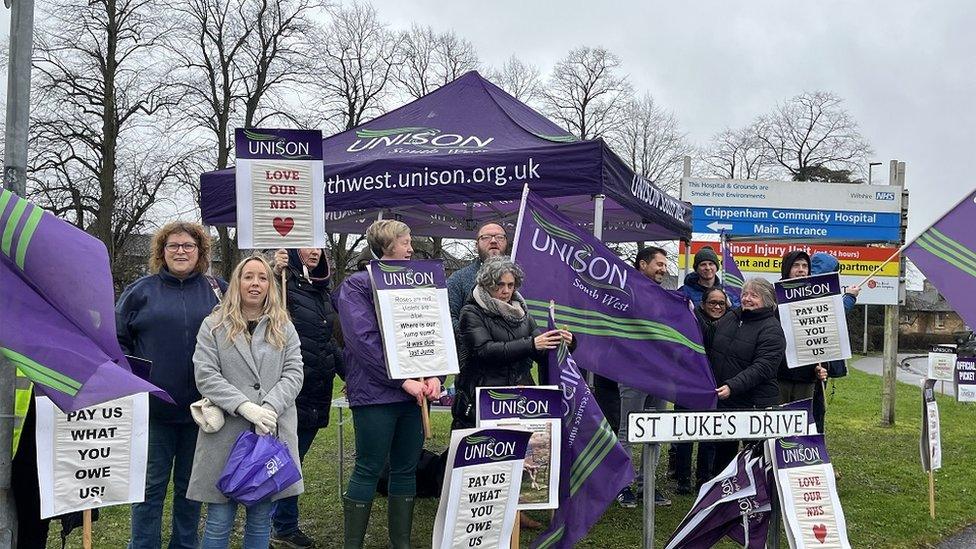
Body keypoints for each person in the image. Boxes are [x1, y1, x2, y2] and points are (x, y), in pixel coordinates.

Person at [116, 221, 225, 549]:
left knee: (191, 491)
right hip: (153, 412)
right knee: (149, 490)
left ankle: (185, 545)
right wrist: (133, 379)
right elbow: (117, 341)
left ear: (200, 251)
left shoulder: (218, 291)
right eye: (173, 246)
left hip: (203, 413)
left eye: (188, 246)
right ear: (162, 252)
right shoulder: (140, 292)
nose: (180, 251)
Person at [336, 220, 441, 549]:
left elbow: (432, 332)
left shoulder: (420, 284)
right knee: (368, 467)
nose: (411, 249)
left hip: (414, 396)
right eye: (405, 242)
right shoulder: (357, 285)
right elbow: (363, 342)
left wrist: (437, 373)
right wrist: (403, 380)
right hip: (375, 396)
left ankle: (402, 543)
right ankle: (352, 543)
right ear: (385, 246)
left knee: (406, 469)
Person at [187, 255, 304, 549]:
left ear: (270, 285)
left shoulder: (284, 326)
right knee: (218, 519)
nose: (255, 284)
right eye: (248, 276)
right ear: (237, 281)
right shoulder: (213, 325)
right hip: (227, 432)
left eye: (262, 278)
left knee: (261, 517)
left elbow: (294, 372)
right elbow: (206, 374)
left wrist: (269, 407)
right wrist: (243, 406)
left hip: (268, 432)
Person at [270, 248, 345, 549]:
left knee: (294, 461)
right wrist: (276, 273)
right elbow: (259, 298)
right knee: (283, 461)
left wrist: (350, 375)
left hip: (317, 388)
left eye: (318, 245)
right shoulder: (283, 286)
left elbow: (327, 341)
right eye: (306, 245)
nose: (314, 251)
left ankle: (283, 525)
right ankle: (278, 525)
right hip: (290, 391)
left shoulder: (321, 292)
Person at [452, 256, 574, 430]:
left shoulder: (522, 312)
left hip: (520, 396)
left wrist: (564, 343)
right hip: (484, 398)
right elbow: (484, 351)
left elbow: (542, 353)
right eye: (499, 285)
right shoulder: (471, 312)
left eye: (511, 285)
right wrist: (531, 344)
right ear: (486, 284)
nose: (506, 291)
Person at [707, 278, 785, 475]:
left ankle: (758, 498)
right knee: (723, 454)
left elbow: (764, 367)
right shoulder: (730, 318)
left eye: (753, 295)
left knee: (756, 457)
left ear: (766, 300)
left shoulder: (772, 328)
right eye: (745, 294)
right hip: (726, 401)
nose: (747, 299)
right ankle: (719, 495)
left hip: (755, 403)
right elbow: (707, 340)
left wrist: (733, 386)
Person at [616, 246, 673, 507]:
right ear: (642, 264)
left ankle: (646, 484)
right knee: (628, 430)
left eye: (664, 265)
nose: (663, 268)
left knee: (656, 430)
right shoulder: (626, 292)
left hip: (660, 373)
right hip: (632, 371)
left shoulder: (665, 295)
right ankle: (624, 486)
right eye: (658, 264)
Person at [809, 252, 860, 433]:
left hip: (822, 360)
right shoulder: (815, 289)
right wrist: (850, 297)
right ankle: (815, 440)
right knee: (815, 406)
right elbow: (833, 314)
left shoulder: (818, 288)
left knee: (817, 405)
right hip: (814, 360)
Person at [691, 286, 732, 487]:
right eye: (712, 303)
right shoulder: (695, 320)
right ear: (703, 304)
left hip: (721, 384)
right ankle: (684, 478)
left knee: (714, 433)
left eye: (721, 303)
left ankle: (707, 478)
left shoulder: (731, 322)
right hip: (696, 383)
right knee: (692, 432)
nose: (717, 307)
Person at [776, 251, 828, 404]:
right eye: (796, 265)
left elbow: (822, 337)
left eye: (805, 266)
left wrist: (823, 367)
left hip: (807, 376)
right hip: (779, 375)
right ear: (787, 269)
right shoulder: (773, 297)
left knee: (804, 421)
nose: (801, 270)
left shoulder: (817, 300)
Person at [447, 221, 508, 330]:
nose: (493, 241)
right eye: (486, 237)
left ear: (506, 242)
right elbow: (449, 318)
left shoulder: (518, 279)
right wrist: (475, 339)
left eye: (499, 237)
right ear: (476, 245)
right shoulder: (458, 279)